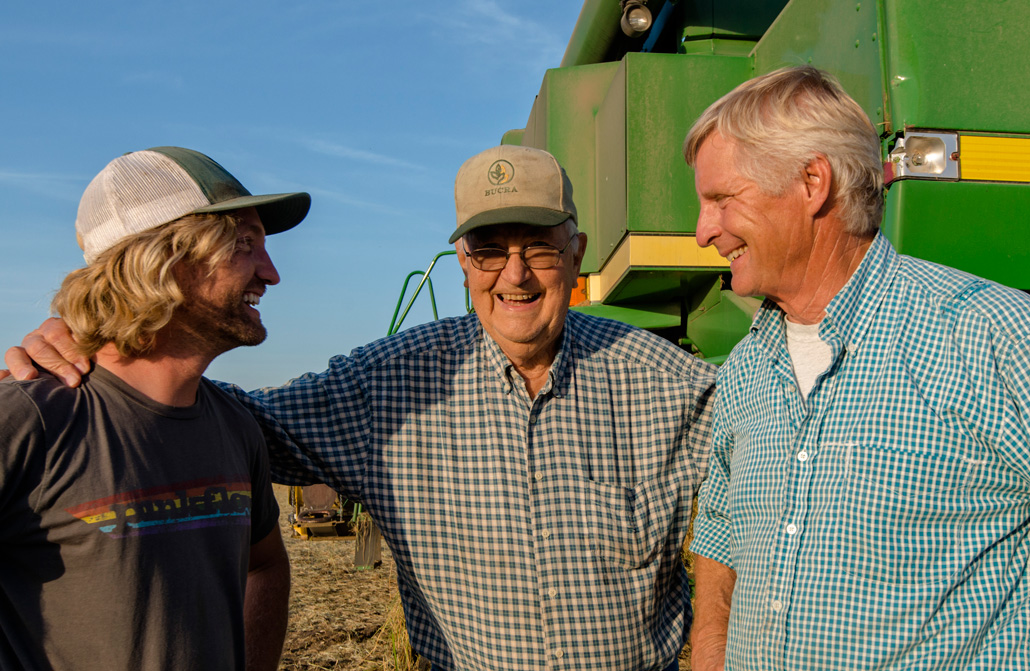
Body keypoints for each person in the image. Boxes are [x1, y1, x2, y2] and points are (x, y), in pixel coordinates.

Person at [5, 145, 718, 671]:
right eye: (489, 249)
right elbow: (177, 410)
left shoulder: (670, 382)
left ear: (577, 251)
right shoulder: (391, 385)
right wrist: (91, 342)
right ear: (461, 262)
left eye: (540, 247)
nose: (516, 275)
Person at [683, 66, 1030, 671]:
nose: (702, 231)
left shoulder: (992, 336)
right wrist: (712, 650)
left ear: (813, 182)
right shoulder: (744, 369)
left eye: (721, 199)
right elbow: (718, 528)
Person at [0, 146, 306, 670]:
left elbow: (265, 565)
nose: (270, 273)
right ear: (162, 260)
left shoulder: (235, 425)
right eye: (244, 244)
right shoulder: (28, 422)